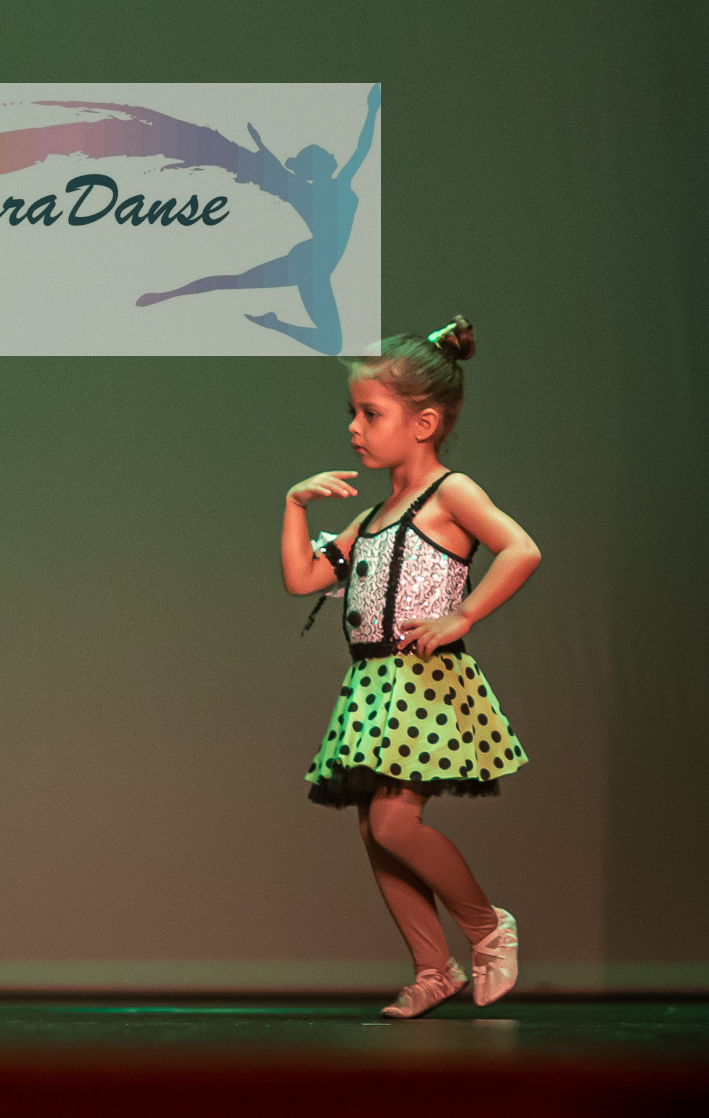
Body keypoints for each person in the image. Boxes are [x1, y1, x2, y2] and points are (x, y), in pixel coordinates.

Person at [280, 317, 541, 1018]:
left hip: (423, 682)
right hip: (374, 686)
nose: (354, 428)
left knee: (394, 822)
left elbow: (520, 549)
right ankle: (433, 967)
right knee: (377, 828)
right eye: (353, 413)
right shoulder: (371, 517)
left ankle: (487, 926)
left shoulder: (451, 493)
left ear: (424, 423)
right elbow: (304, 578)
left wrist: (463, 615)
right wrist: (295, 504)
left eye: (371, 414)